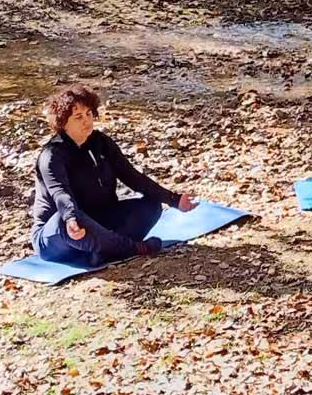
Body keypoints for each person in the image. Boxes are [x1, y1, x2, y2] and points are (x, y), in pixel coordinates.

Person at [31, 81, 195, 266]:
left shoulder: (100, 142)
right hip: (58, 234)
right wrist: (70, 219)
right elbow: (60, 193)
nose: (86, 120)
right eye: (77, 117)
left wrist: (173, 199)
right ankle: (134, 249)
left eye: (89, 113)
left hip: (99, 221)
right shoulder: (52, 155)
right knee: (70, 218)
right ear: (63, 124)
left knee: (151, 206)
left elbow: (132, 177)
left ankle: (102, 251)